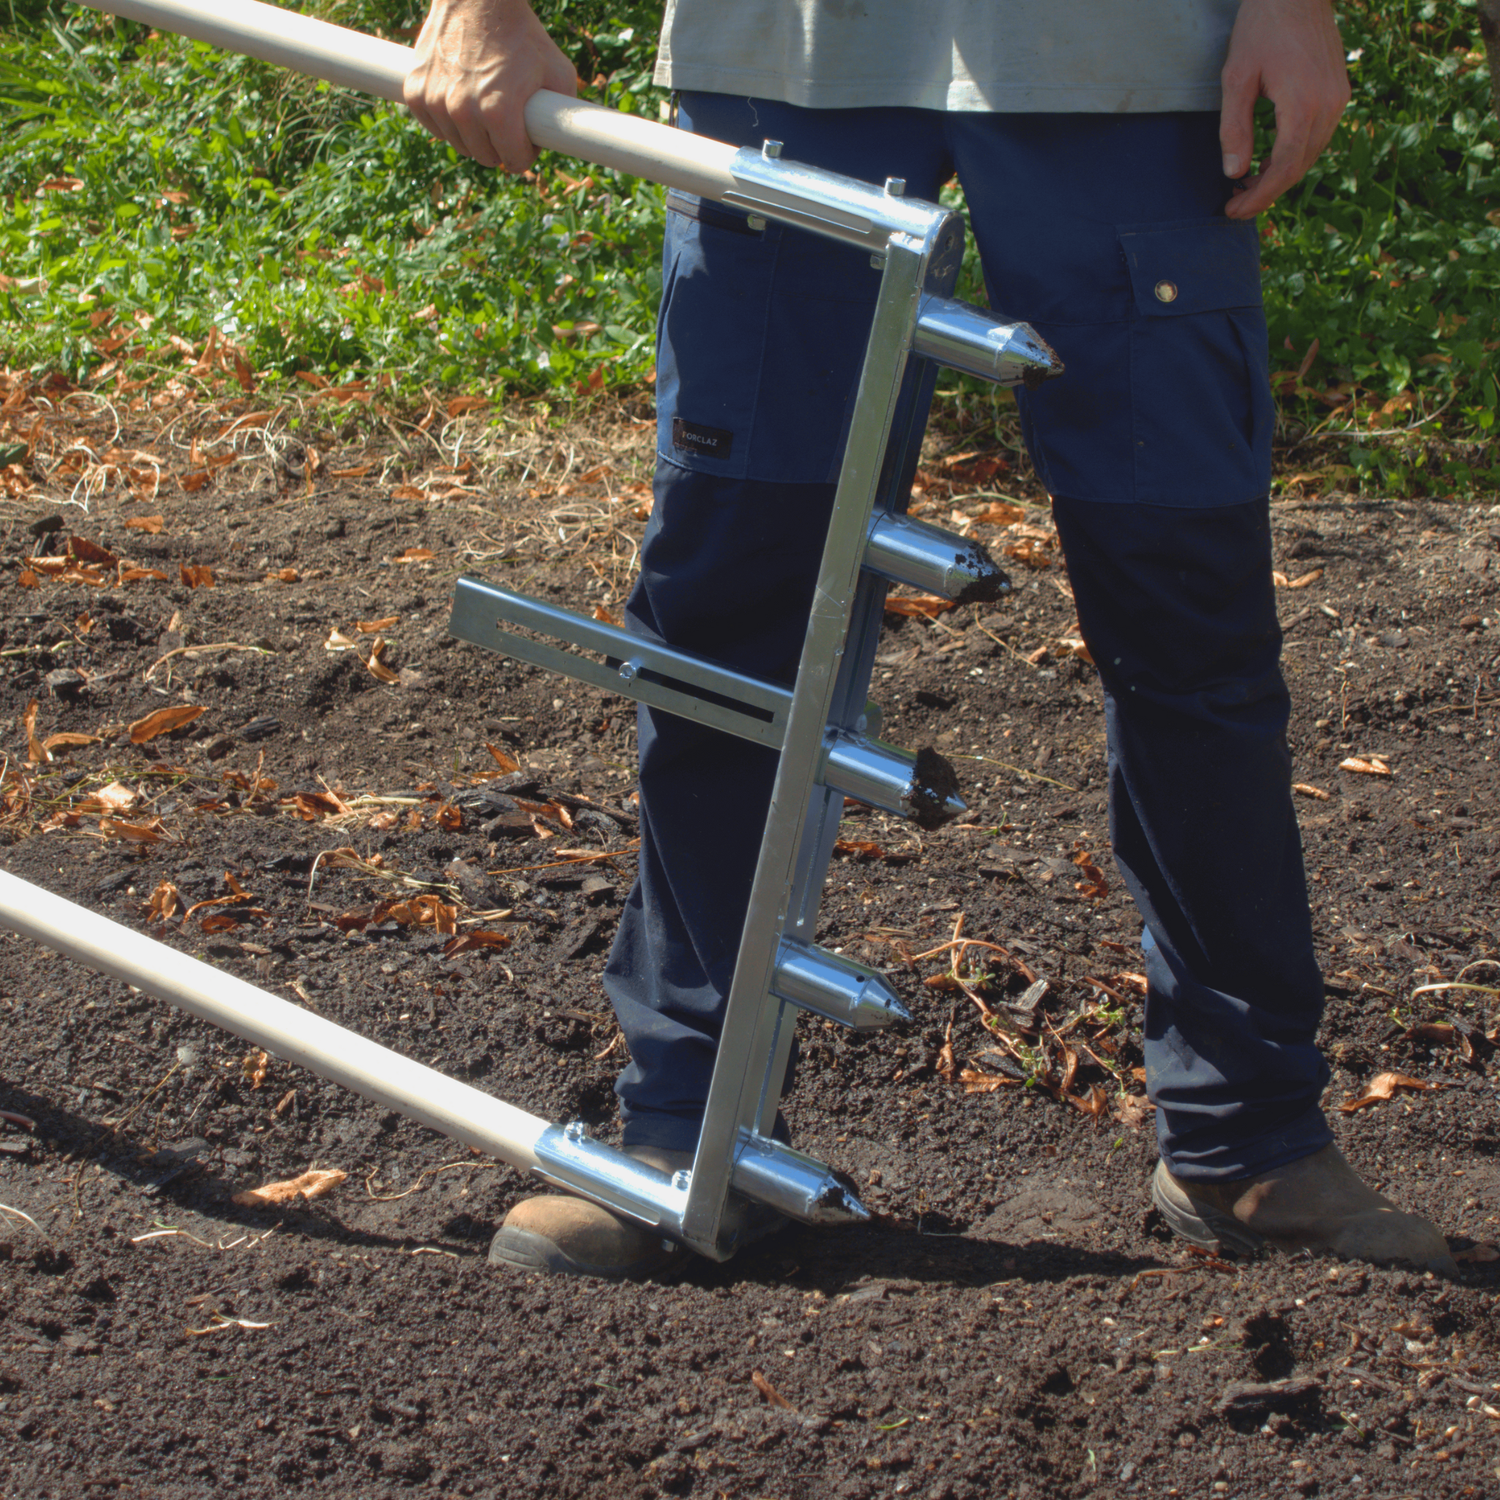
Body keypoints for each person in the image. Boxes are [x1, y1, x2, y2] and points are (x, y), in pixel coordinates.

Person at [404, 0, 1456, 1280]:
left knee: (1191, 609)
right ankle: (692, 1129)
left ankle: (1250, 1138)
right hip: (789, 59)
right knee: (734, 611)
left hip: (1126, 60)